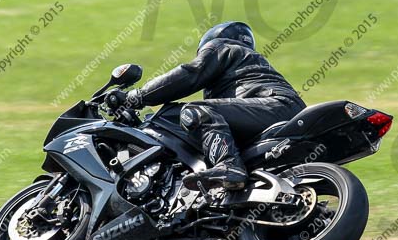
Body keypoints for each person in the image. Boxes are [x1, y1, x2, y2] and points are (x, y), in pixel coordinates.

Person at [117, 21, 305, 191]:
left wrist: (137, 96)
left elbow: (189, 74)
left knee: (197, 110)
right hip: (283, 112)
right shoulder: (247, 63)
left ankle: (228, 165)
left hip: (276, 106)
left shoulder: (223, 46)